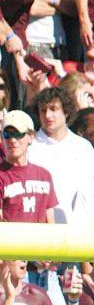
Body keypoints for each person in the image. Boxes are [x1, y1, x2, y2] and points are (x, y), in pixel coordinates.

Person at [29, 86, 94, 225]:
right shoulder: (30, 147)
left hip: (80, 233)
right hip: (41, 231)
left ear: (66, 111)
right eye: (43, 110)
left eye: (53, 109)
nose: (47, 116)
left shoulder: (83, 148)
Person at [0, 109, 57, 224]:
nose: (12, 140)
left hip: (42, 241)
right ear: (2, 138)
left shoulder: (44, 176)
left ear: (31, 137)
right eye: (7, 135)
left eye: (18, 134)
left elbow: (51, 221)